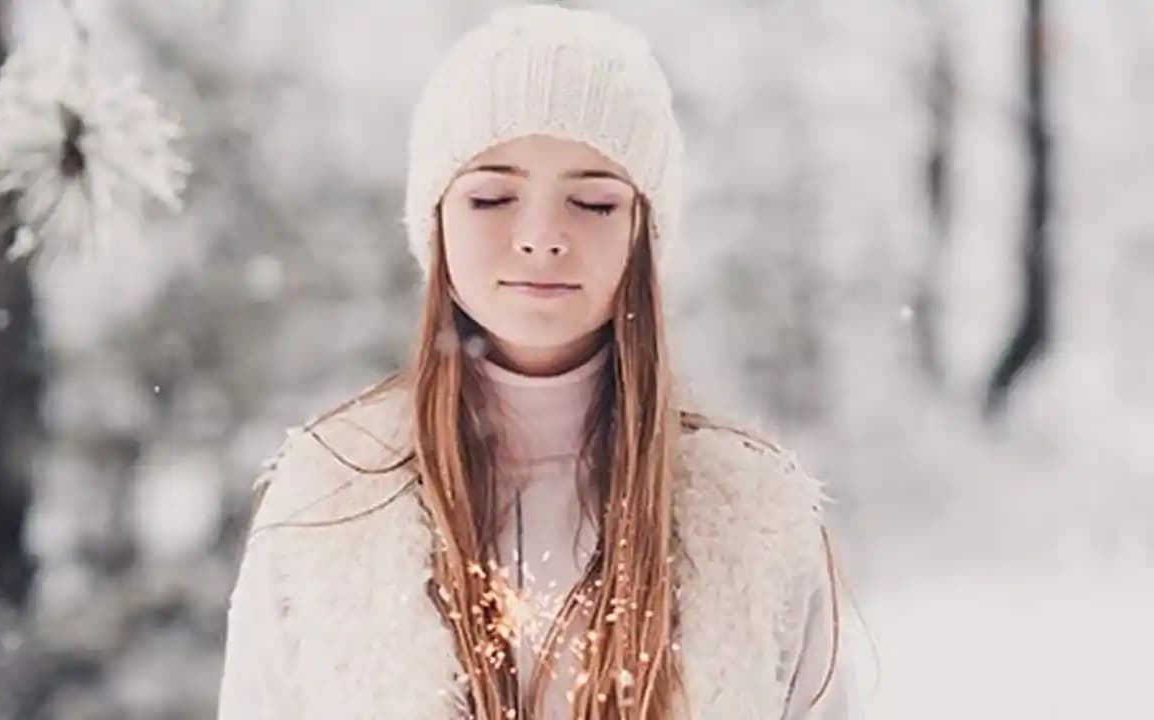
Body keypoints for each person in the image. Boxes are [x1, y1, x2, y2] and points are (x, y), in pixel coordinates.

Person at [217, 4, 855, 719]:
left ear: (643, 233)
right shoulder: (326, 503)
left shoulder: (756, 521)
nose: (541, 235)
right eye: (493, 196)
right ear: (437, 219)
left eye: (594, 202)